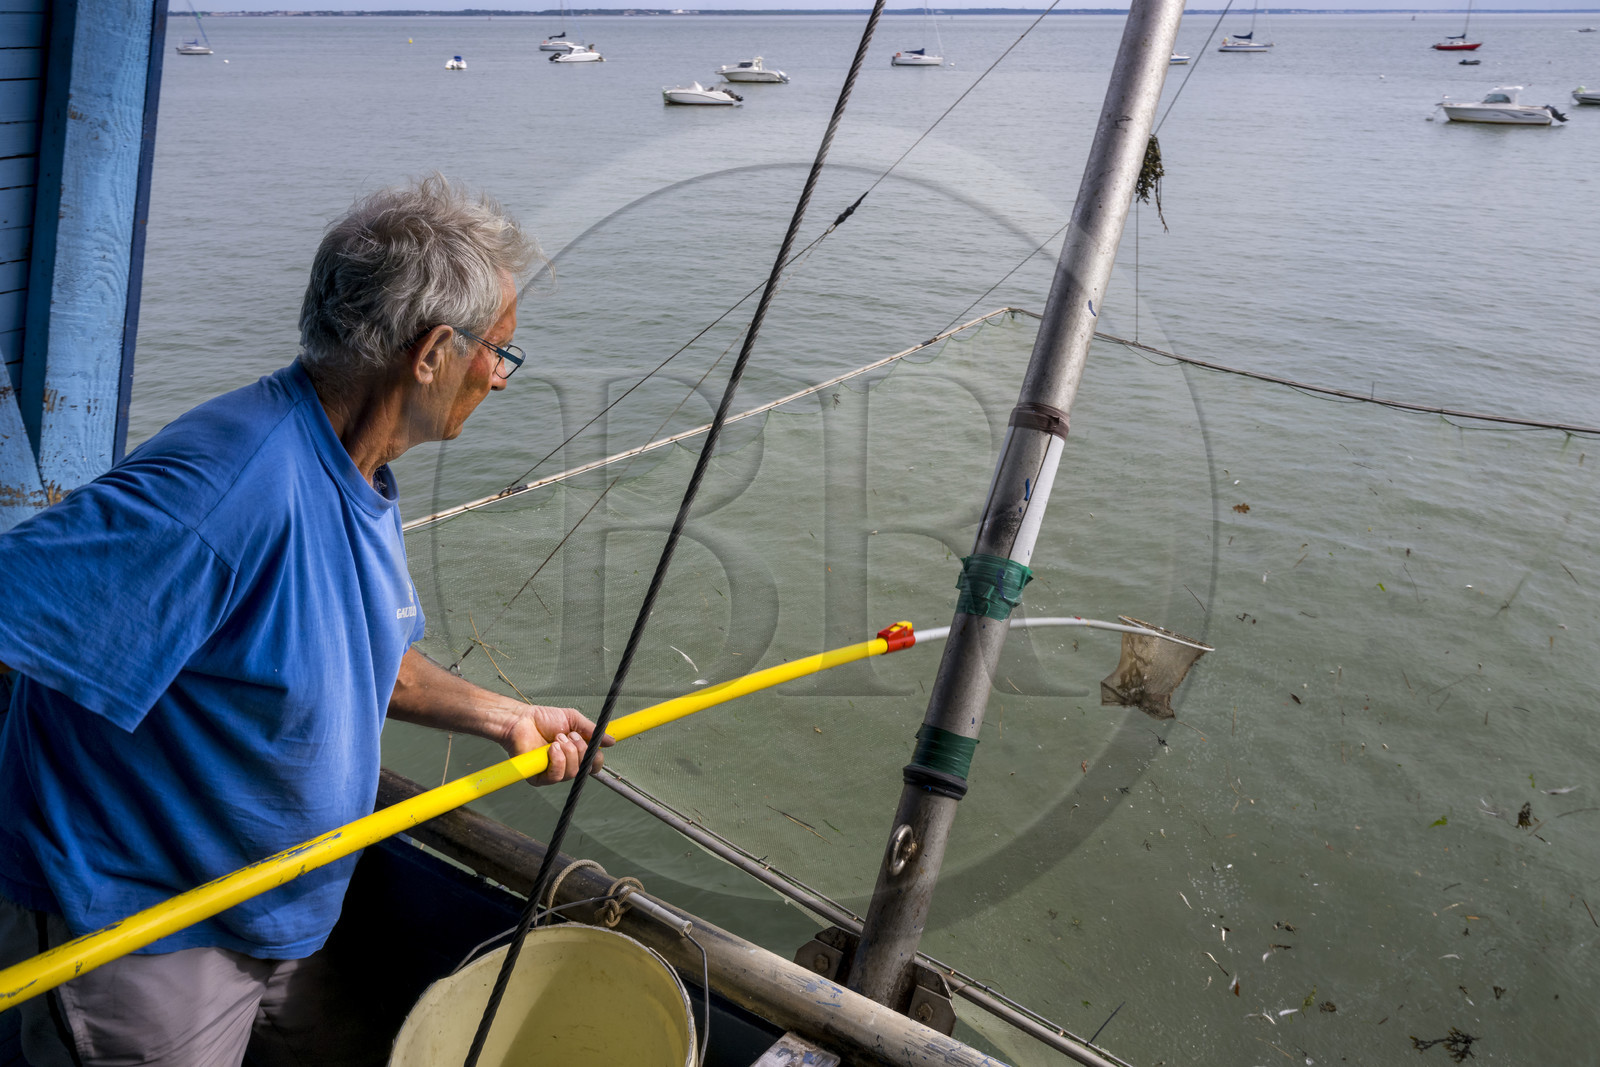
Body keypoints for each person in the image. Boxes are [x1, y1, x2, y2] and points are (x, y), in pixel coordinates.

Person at [0, 176, 607, 1066]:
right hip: (149, 933)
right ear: (434, 351)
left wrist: (504, 715)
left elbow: (371, 659)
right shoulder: (225, 489)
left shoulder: (355, 467)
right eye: (499, 353)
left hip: (280, 911)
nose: (501, 379)